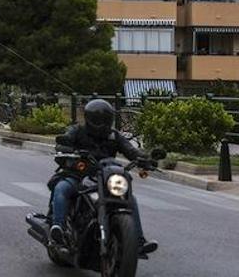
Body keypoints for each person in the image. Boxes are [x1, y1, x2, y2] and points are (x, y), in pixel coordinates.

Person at [48, 99, 158, 257]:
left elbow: (130, 151)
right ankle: (57, 228)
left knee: (130, 198)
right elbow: (63, 142)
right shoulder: (78, 130)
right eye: (98, 119)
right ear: (89, 118)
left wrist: (145, 159)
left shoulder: (113, 136)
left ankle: (138, 241)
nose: (102, 123)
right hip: (78, 175)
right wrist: (65, 149)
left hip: (106, 177)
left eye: (105, 119)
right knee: (62, 188)